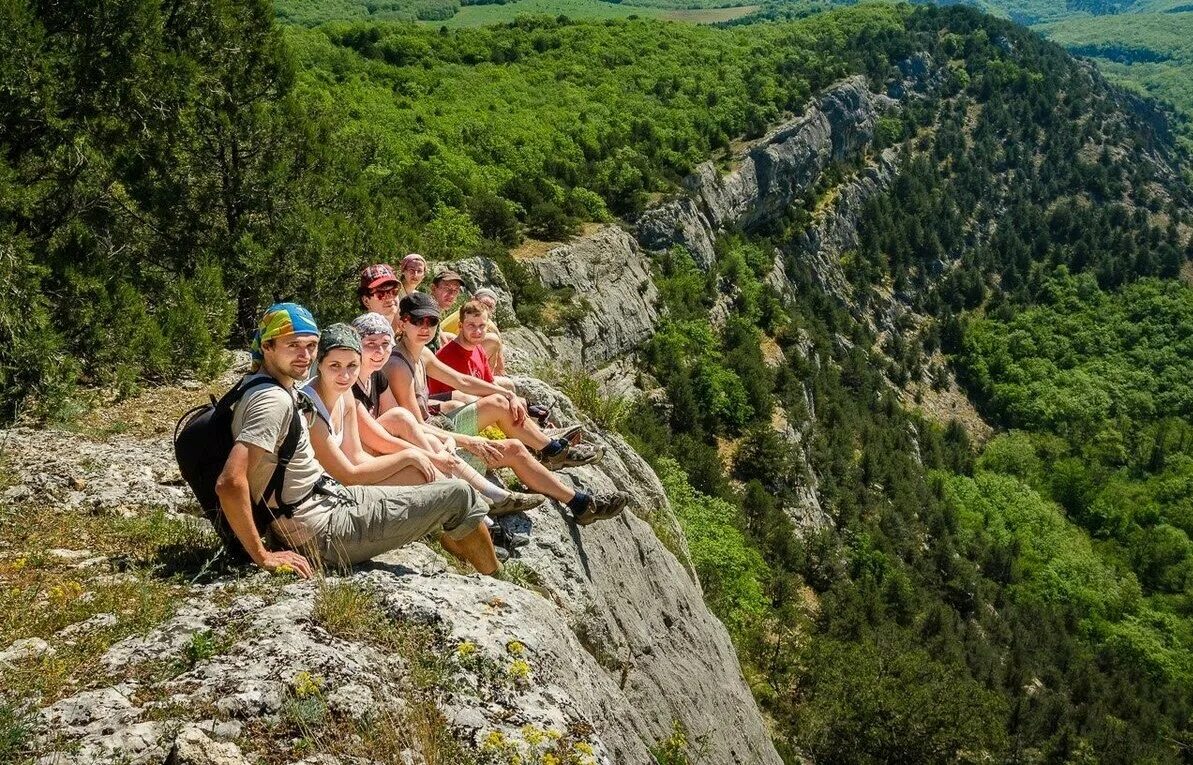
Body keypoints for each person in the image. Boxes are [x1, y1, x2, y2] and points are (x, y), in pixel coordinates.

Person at [213, 302, 500, 577]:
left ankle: (475, 562)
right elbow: (230, 482)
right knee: (459, 496)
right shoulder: (272, 400)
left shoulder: (267, 385)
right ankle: (498, 585)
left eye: (310, 345)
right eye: (292, 345)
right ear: (267, 346)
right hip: (321, 530)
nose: (304, 355)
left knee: (442, 489)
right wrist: (262, 555)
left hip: (329, 500)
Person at [387, 293, 627, 525]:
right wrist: (468, 441)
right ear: (403, 321)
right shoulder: (399, 365)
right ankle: (572, 486)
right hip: (429, 446)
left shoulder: (422, 354)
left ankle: (579, 500)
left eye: (432, 321)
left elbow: (461, 381)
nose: (425, 327)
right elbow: (417, 427)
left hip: (438, 430)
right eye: (418, 320)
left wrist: (506, 392)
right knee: (512, 446)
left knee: (509, 428)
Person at [312, 315, 544, 516]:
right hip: (355, 464)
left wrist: (447, 445)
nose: (380, 351)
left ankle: (487, 498)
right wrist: (429, 457)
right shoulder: (349, 387)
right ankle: (479, 507)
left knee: (421, 433)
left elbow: (409, 420)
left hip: (366, 453)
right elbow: (377, 439)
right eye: (370, 344)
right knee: (416, 448)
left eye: (385, 343)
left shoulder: (375, 377)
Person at [440, 287, 507, 376]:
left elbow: (499, 340)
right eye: (483, 304)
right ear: (473, 300)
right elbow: (497, 339)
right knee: (493, 341)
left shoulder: (465, 313)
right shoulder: (470, 316)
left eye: (490, 307)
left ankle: (485, 376)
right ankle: (486, 376)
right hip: (448, 358)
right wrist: (500, 367)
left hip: (449, 356)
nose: (485, 308)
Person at [426, 269, 466, 353]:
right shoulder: (426, 312)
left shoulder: (434, 310)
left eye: (455, 290)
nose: (451, 295)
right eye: (447, 288)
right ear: (433, 288)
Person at [358, 264, 401, 334]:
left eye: (394, 291)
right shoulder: (362, 336)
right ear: (366, 301)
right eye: (381, 294)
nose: (389, 298)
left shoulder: (407, 333)